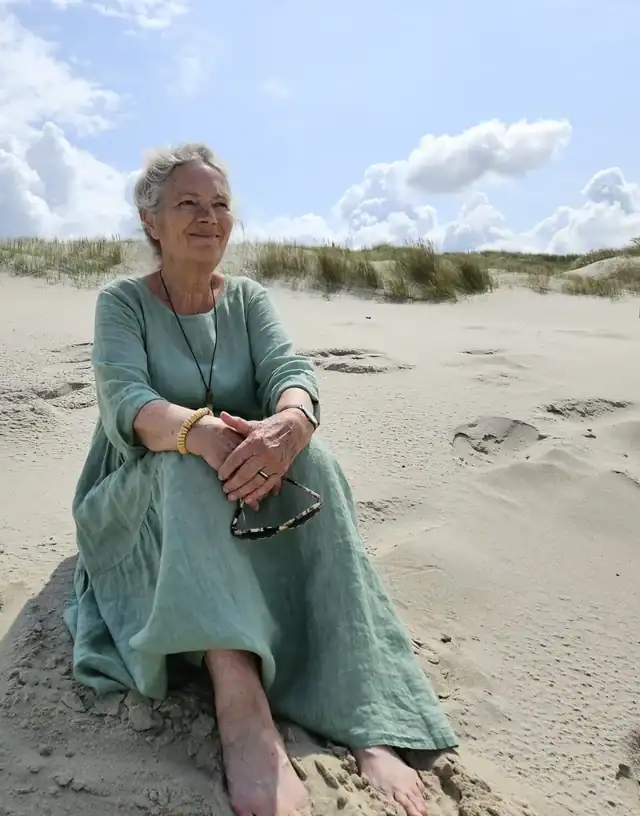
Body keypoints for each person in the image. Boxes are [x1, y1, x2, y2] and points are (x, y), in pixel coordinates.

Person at [66, 143, 457, 816]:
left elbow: (289, 371)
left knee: (319, 465)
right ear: (151, 220)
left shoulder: (248, 299)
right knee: (187, 469)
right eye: (188, 203)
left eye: (219, 204)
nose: (208, 216)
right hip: (141, 490)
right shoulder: (122, 303)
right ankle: (242, 706)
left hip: (242, 473)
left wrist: (290, 425)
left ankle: (361, 709)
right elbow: (125, 400)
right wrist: (200, 433)